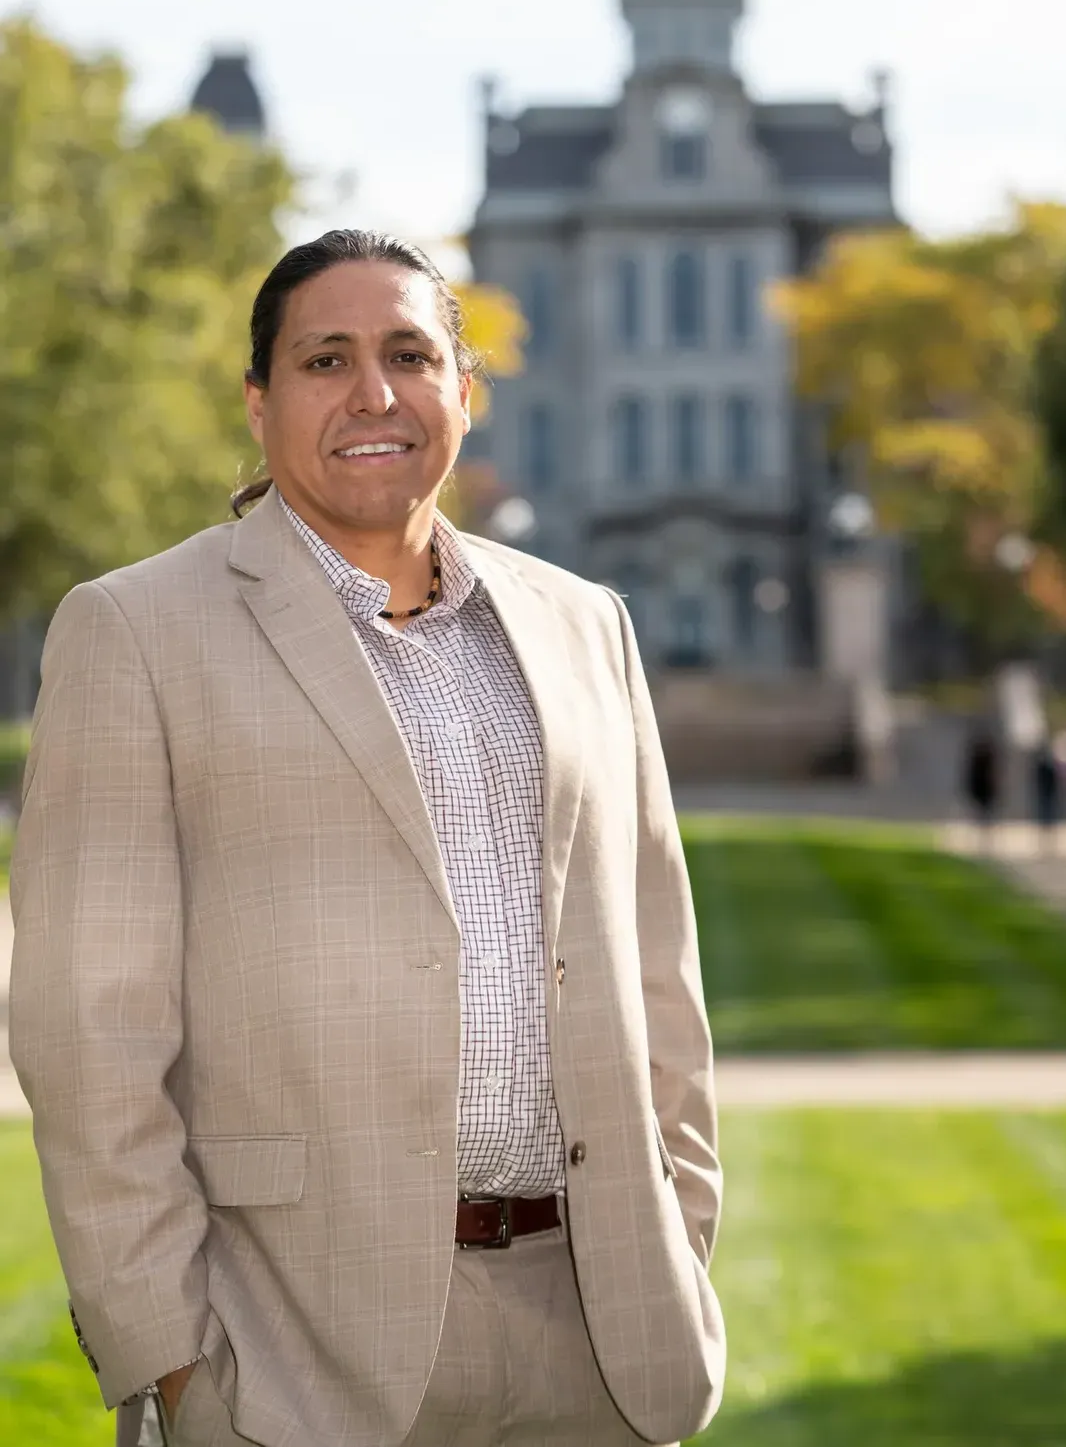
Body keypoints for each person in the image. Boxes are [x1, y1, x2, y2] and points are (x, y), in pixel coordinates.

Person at [9, 230, 724, 1447]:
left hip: (600, 1335)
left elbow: (660, 965)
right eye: (323, 358)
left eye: (408, 353)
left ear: (462, 388)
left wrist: (682, 1226)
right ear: (259, 398)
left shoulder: (583, 622)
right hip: (292, 1347)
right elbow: (88, 1030)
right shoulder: (133, 629)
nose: (372, 392)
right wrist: (173, 1363)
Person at [963, 725, 1000, 851]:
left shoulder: (981, 758)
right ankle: (983, 836)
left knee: (982, 814)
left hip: (983, 789)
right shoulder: (985, 757)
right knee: (984, 814)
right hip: (983, 788)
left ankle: (983, 836)